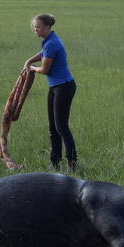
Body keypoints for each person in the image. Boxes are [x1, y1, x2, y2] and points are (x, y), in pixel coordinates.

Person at [23, 14, 77, 171]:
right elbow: (43, 54)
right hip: (55, 87)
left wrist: (32, 68)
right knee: (53, 127)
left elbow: (45, 70)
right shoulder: (48, 41)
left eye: (38, 27)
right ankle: (55, 163)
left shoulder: (52, 43)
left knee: (61, 127)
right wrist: (30, 60)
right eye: (35, 27)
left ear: (47, 27)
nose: (36, 29)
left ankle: (72, 164)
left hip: (64, 87)